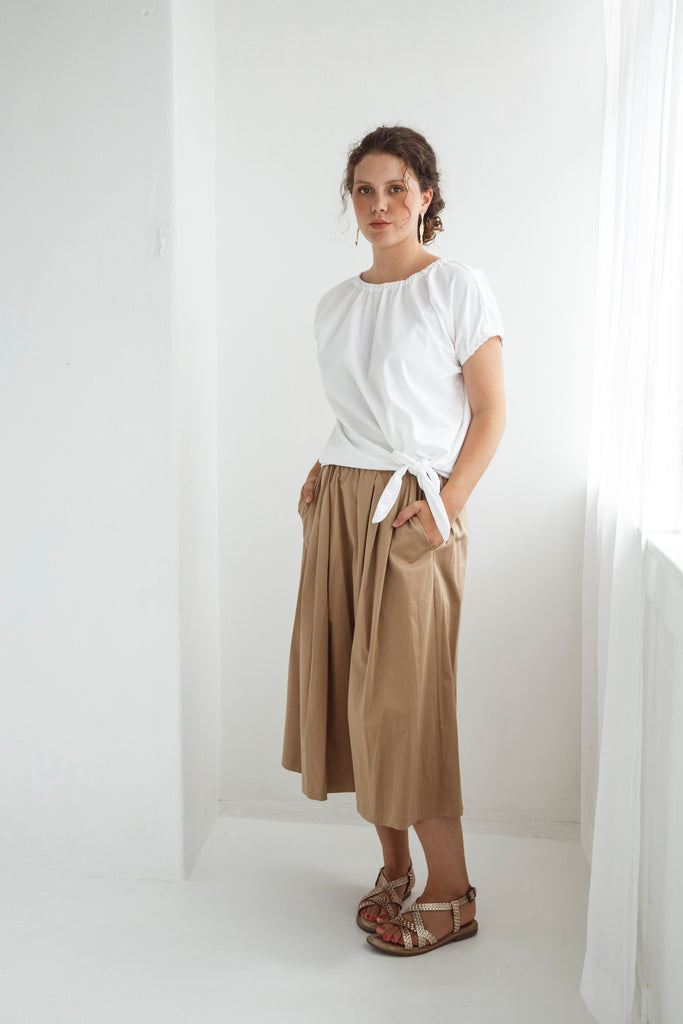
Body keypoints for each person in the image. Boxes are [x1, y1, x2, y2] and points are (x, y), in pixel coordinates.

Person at [281, 125, 506, 956]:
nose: (379, 205)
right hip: (341, 500)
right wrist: (322, 462)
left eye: (396, 189)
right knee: (353, 693)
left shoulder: (455, 287)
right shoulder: (336, 302)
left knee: (404, 704)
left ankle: (452, 897)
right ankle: (395, 869)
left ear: (427, 198)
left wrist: (443, 505)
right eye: (365, 190)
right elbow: (364, 408)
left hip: (413, 510)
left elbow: (489, 415)